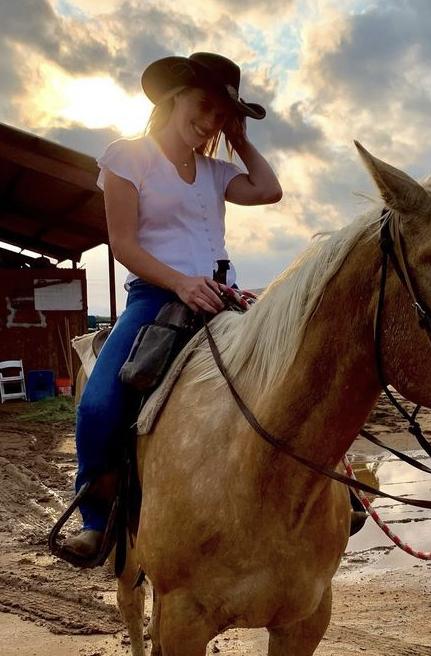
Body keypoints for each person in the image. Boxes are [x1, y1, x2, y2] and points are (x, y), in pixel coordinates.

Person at [62, 52, 282, 559]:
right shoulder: (127, 156)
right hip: (156, 296)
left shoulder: (216, 171)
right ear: (174, 97)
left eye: (221, 116)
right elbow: (123, 244)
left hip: (222, 296)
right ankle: (96, 520)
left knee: (298, 362)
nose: (210, 122)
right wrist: (180, 283)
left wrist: (240, 139)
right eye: (204, 106)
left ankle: (332, 494)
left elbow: (269, 190)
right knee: (99, 402)